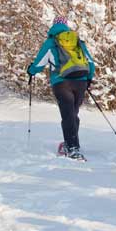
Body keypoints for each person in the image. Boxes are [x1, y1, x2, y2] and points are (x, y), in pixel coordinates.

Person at [25, 16, 95, 160]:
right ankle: (72, 143)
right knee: (73, 114)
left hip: (61, 82)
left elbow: (39, 63)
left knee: (68, 114)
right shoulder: (77, 41)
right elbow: (90, 61)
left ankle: (72, 147)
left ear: (53, 26)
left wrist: (31, 71)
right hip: (80, 80)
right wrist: (89, 79)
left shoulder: (51, 42)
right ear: (66, 26)